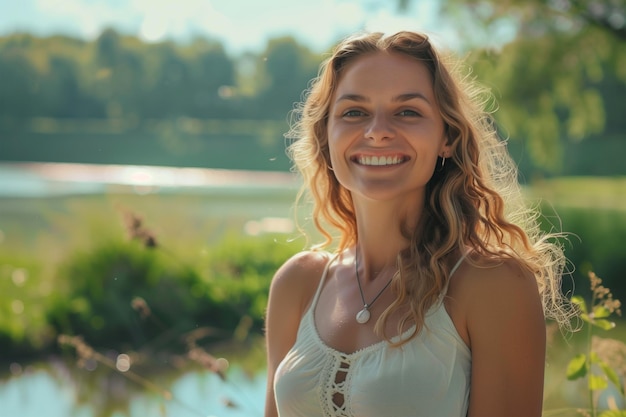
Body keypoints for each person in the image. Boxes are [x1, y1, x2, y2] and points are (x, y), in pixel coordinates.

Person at [264, 30, 571, 417]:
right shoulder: (298, 282)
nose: (377, 130)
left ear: (447, 137)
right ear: (326, 135)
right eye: (354, 112)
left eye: (407, 111)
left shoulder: (492, 283)